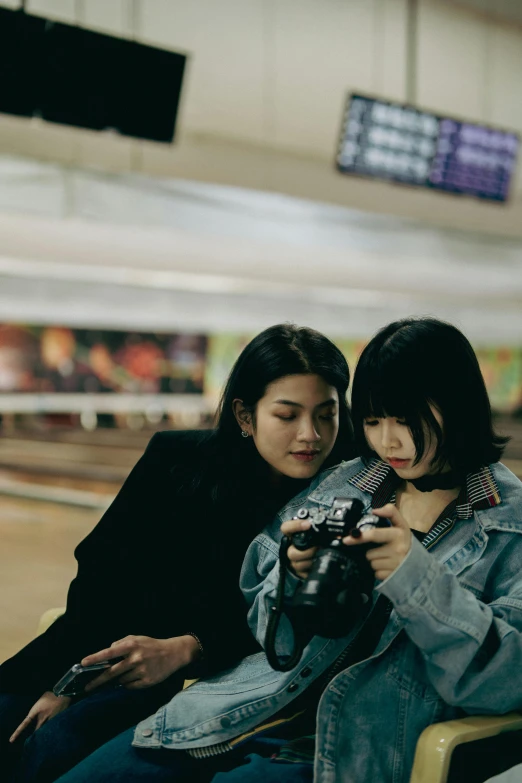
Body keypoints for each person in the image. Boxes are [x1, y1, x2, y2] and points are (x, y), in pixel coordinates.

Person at [51, 316, 522, 783]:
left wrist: (416, 580)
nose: (387, 441)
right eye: (375, 421)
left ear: (457, 407)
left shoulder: (511, 525)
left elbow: (506, 681)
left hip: (357, 745)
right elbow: (262, 624)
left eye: (407, 420)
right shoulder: (347, 483)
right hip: (246, 708)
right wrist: (291, 576)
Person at [0, 323, 354, 783]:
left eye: (326, 415)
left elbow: (286, 628)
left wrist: (193, 647)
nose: (311, 435)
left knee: (49, 748)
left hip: (204, 685)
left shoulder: (338, 498)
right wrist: (65, 683)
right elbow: (100, 577)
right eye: (287, 416)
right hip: (102, 654)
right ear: (245, 416)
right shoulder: (176, 459)